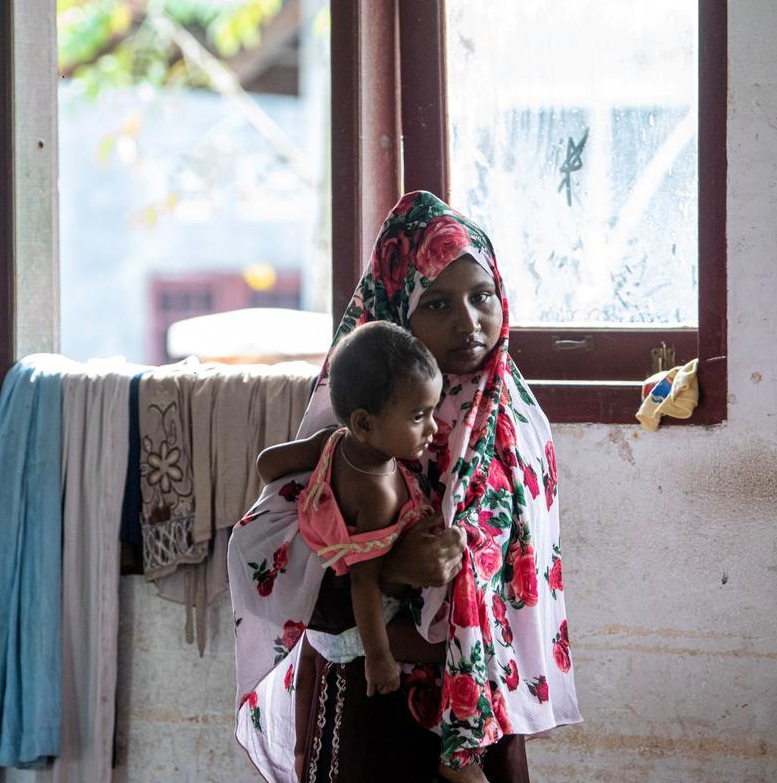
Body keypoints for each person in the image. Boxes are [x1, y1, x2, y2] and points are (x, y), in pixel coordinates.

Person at [228, 191, 580, 783]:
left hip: (478, 706)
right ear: (396, 311)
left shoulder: (516, 419)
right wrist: (392, 571)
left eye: (482, 296)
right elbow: (276, 570)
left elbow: (527, 576)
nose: (468, 323)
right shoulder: (353, 423)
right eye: (438, 303)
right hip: (372, 703)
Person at [255, 322, 441, 702]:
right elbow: (364, 582)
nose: (433, 429)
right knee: (460, 648)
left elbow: (266, 463)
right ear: (364, 422)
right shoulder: (377, 493)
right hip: (356, 632)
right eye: (418, 416)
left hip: (328, 620)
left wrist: (314, 485)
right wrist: (380, 657)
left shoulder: (331, 442)